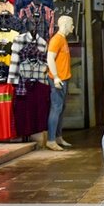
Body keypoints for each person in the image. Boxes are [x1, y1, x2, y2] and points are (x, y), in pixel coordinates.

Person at [46, 15, 75, 151]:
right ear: (64, 25)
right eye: (71, 24)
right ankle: (51, 140)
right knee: (56, 108)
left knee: (61, 109)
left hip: (64, 79)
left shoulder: (63, 39)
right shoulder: (56, 39)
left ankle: (58, 137)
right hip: (57, 80)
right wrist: (56, 77)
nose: (73, 27)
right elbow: (50, 58)